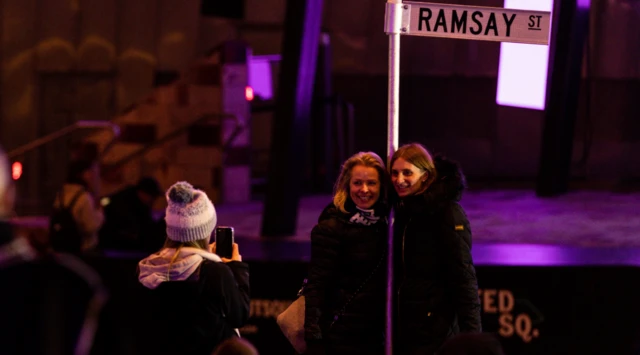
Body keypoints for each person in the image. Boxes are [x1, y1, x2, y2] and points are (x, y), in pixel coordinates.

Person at [0, 144, 108, 355]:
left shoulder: (62, 193)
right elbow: (90, 225)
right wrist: (100, 214)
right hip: (82, 250)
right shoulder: (67, 284)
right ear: (8, 195)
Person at [137, 181, 250, 355]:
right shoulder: (214, 272)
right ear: (205, 230)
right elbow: (239, 315)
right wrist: (235, 267)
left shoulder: (149, 268)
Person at [389, 143, 482, 354]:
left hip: (435, 331)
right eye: (394, 173)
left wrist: (473, 338)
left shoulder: (447, 214)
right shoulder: (402, 211)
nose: (399, 179)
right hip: (407, 329)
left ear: (425, 175)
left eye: (407, 173)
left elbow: (464, 278)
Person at [304, 151, 389, 354]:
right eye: (357, 183)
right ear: (347, 185)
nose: (364, 190)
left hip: (378, 335)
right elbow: (316, 285)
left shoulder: (389, 223)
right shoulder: (332, 226)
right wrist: (314, 336)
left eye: (372, 183)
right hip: (340, 335)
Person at [50, 158, 104, 253]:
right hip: (83, 249)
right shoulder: (84, 197)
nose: (93, 176)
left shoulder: (62, 193)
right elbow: (90, 227)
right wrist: (99, 211)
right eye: (91, 172)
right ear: (82, 174)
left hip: (63, 249)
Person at [99, 176, 164, 252]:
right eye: (153, 196)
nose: (154, 200)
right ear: (143, 193)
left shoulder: (138, 203)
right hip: (117, 248)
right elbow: (137, 229)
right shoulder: (124, 203)